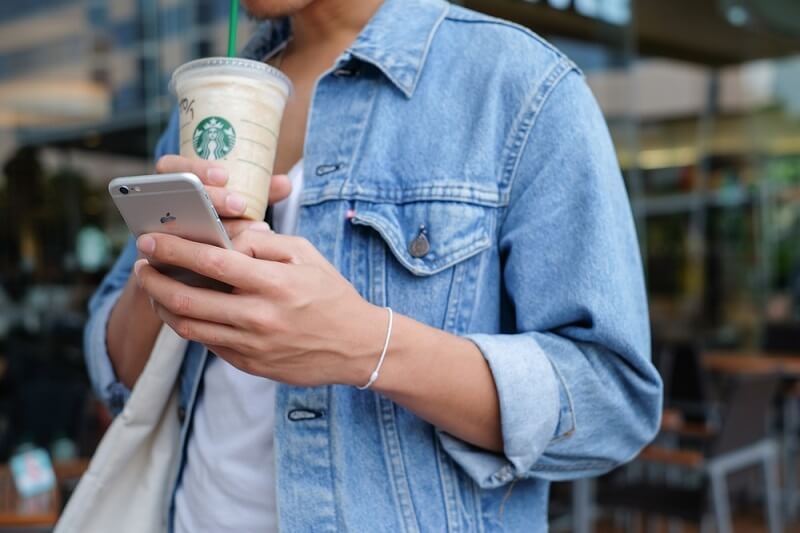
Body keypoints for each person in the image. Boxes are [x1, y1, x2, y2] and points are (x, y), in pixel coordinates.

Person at [84, 0, 663, 530]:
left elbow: (612, 403)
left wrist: (365, 345)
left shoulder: (520, 85)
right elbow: (116, 371)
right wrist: (168, 271)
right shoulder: (214, 98)